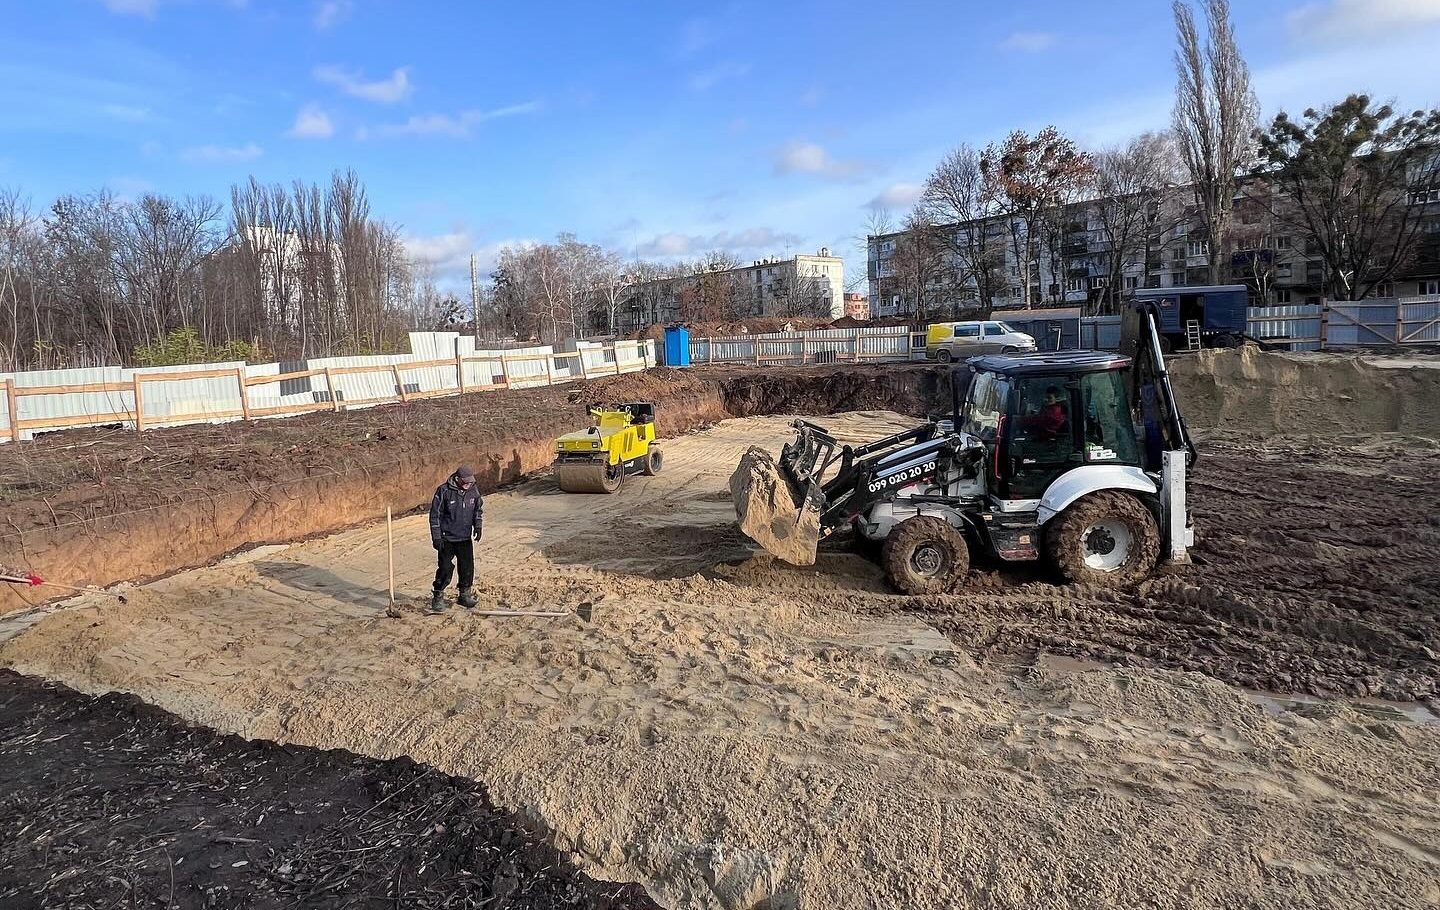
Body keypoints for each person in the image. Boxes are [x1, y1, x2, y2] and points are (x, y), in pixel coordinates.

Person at [428, 464, 483, 612]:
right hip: (447, 539)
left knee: (467, 567)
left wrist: (477, 526)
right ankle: (438, 595)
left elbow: (477, 510)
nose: (468, 485)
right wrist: (437, 537)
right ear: (457, 479)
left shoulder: (473, 491)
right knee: (445, 567)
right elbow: (435, 516)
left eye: (470, 482)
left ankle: (464, 595)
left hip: (464, 538)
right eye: (466, 482)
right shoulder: (443, 491)